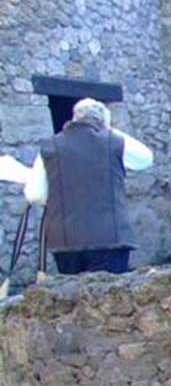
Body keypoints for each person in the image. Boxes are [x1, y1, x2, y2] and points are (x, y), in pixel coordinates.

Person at [23, 98, 154, 275]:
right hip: (110, 237)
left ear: (74, 118)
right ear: (103, 120)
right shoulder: (113, 141)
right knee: (111, 297)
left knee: (72, 297)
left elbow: (34, 195)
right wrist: (108, 129)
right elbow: (145, 159)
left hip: (65, 240)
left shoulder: (50, 146)